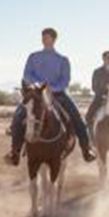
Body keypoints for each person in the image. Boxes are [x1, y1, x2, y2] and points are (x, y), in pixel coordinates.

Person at [16, 28, 96, 162]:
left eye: (46, 37)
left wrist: (50, 89)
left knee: (77, 119)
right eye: (43, 37)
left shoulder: (63, 60)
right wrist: (38, 86)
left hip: (58, 95)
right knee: (18, 115)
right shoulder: (33, 57)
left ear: (53, 39)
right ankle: (15, 151)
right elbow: (27, 74)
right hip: (36, 94)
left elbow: (65, 80)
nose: (44, 39)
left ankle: (86, 149)